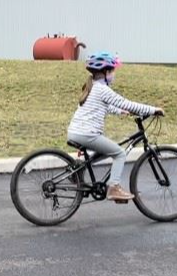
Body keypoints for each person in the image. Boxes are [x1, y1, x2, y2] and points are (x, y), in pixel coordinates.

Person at [67, 50, 164, 202]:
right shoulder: (103, 89)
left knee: (110, 148)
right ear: (105, 72)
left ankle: (79, 170)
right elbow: (126, 102)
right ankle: (114, 188)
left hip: (76, 132)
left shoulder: (93, 87)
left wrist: (122, 111)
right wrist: (153, 109)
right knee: (119, 153)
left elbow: (107, 106)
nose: (114, 74)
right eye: (112, 71)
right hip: (87, 134)